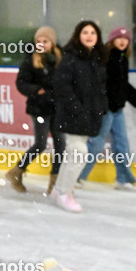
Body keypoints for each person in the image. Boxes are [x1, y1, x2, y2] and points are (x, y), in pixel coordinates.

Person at [77, 26, 136, 190]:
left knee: (122, 144)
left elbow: (122, 84)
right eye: (119, 38)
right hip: (105, 109)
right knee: (95, 144)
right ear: (112, 40)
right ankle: (75, 175)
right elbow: (100, 83)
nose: (122, 41)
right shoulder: (105, 58)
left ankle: (123, 179)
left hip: (117, 110)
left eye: (126, 39)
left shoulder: (123, 58)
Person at [49, 20, 108, 213]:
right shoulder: (70, 58)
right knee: (79, 153)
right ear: (78, 35)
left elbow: (99, 89)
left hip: (89, 117)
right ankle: (65, 193)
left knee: (74, 155)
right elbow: (61, 86)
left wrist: (100, 109)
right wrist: (77, 110)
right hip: (71, 116)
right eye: (85, 32)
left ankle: (59, 190)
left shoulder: (97, 59)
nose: (89, 36)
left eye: (93, 33)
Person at [7, 27, 63, 195]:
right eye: (38, 41)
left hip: (57, 107)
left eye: (45, 41)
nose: (41, 44)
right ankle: (16, 172)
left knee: (61, 144)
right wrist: (37, 90)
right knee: (40, 143)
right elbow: (21, 83)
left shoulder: (61, 59)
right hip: (39, 108)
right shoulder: (30, 61)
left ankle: (55, 182)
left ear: (52, 43)